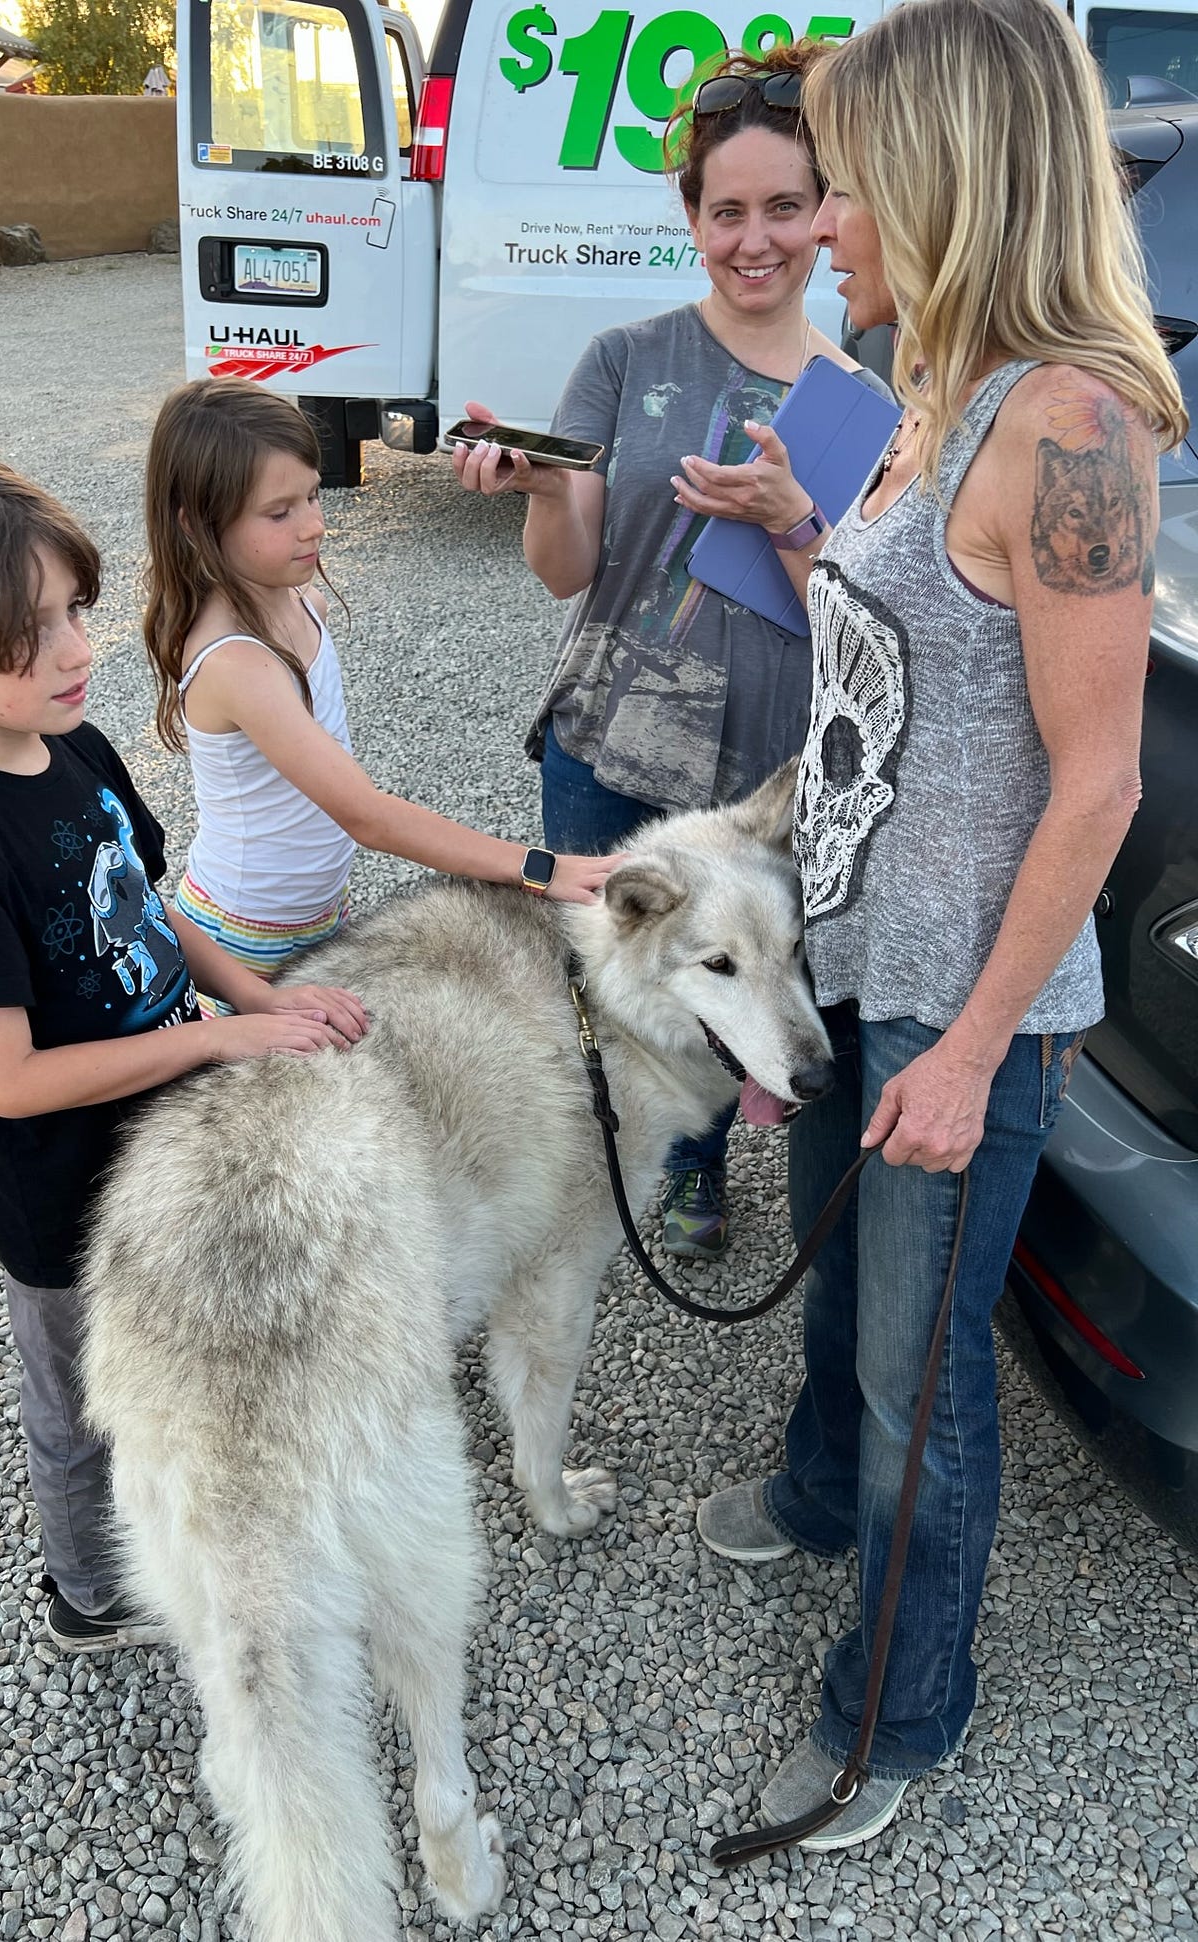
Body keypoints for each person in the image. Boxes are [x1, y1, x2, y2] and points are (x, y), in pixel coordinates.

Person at [690, 0, 1186, 1846]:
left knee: (922, 1373)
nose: (820, 226)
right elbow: (905, 661)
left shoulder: (1066, 418)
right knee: (847, 1310)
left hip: (954, 1006)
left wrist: (974, 1049)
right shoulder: (919, 387)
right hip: (849, 965)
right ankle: (822, 1496)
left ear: (949, 174)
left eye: (847, 187)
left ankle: (895, 1720)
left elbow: (1098, 781)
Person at [0, 442, 369, 1651]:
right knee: (81, 1405)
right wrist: (218, 1045)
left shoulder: (82, 753)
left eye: (74, 611)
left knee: (179, 1367)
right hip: (61, 1201)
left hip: (161, 1149)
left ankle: (189, 1535)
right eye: (26, 631)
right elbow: (5, 1080)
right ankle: (93, 1593)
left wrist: (260, 1001)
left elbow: (154, 916)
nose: (74, 649)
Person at [453, 41, 889, 1260]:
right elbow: (567, 570)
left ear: (825, 215)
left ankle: (701, 1156)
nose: (757, 240)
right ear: (689, 215)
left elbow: (865, 619)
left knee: (739, 966)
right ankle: (606, 1154)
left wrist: (789, 519)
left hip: (762, 778)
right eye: (728, 210)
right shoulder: (624, 360)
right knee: (611, 981)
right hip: (606, 746)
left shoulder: (868, 400)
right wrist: (538, 488)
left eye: (787, 209)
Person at [140, 378, 617, 990]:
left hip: (315, 910)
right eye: (279, 512)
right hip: (245, 931)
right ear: (194, 524)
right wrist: (538, 868)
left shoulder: (292, 594)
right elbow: (367, 817)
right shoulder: (236, 662)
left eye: (312, 496)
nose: (312, 525)